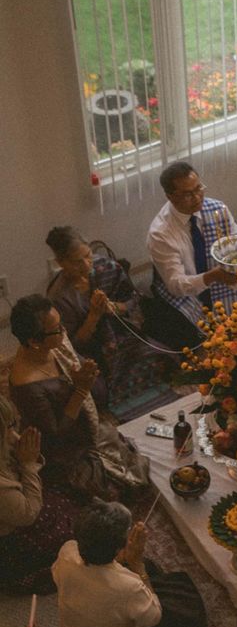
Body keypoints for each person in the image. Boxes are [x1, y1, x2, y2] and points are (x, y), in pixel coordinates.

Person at [9, 295, 149, 501]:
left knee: (130, 456)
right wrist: (81, 391)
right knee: (128, 486)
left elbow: (73, 364)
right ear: (33, 341)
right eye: (57, 329)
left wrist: (82, 374)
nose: (64, 332)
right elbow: (56, 435)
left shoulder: (53, 348)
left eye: (61, 323)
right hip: (66, 453)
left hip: (83, 426)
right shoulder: (27, 385)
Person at [52, 501, 205, 627]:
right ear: (117, 547)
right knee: (189, 616)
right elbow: (153, 618)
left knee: (150, 572)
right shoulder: (127, 587)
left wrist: (120, 560)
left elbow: (74, 576)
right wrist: (136, 563)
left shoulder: (67, 552)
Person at [46, 225, 164, 408]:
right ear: (60, 263)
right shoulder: (60, 296)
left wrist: (114, 308)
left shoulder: (106, 267)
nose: (86, 265)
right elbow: (71, 345)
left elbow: (133, 300)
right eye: (76, 262)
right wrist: (93, 316)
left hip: (122, 333)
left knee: (163, 359)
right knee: (99, 393)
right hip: (93, 350)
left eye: (87, 255)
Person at [147, 161, 237, 349]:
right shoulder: (160, 233)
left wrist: (235, 268)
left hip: (220, 277)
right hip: (184, 289)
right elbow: (176, 284)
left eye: (199, 188)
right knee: (195, 339)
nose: (198, 197)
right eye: (188, 194)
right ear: (170, 197)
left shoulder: (217, 210)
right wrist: (212, 276)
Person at [0, 396, 77, 594]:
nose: (16, 436)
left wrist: (24, 459)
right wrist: (28, 465)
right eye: (7, 430)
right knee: (71, 539)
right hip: (13, 540)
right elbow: (27, 515)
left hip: (16, 508)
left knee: (65, 497)